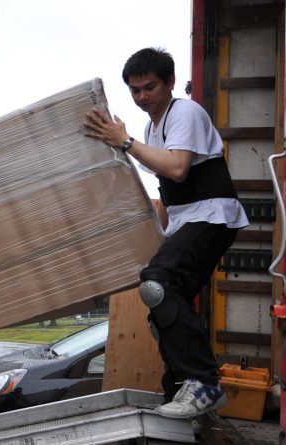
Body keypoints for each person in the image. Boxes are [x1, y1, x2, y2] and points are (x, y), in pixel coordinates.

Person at [83, 47, 249, 418]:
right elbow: (167, 194)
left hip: (213, 215)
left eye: (150, 88)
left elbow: (177, 169)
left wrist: (124, 142)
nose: (143, 97)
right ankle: (177, 391)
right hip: (187, 219)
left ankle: (204, 383)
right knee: (160, 303)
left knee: (159, 283)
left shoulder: (184, 112)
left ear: (170, 83)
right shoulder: (150, 127)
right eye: (135, 90)